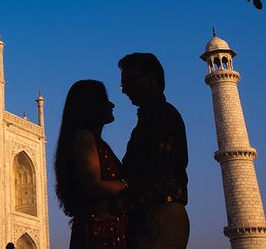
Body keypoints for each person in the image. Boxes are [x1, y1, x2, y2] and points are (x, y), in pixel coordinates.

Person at [117, 53, 189, 249]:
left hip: (159, 212)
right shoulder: (148, 117)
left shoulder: (160, 115)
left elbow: (159, 171)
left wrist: (120, 207)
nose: (124, 91)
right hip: (154, 211)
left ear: (149, 78)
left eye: (128, 82)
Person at [54, 80, 129, 249]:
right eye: (105, 100)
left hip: (107, 228)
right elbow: (93, 186)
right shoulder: (84, 138)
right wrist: (127, 184)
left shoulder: (94, 141)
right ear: (91, 106)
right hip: (101, 233)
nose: (111, 104)